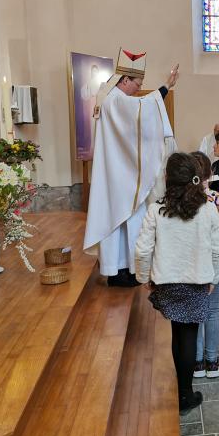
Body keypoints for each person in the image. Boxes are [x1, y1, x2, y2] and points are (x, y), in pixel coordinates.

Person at [135, 152, 219, 416]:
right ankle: (185, 394)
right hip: (197, 281)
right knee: (187, 335)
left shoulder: (156, 210)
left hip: (169, 282)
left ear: (167, 179)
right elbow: (218, 251)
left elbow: (142, 251)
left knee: (178, 334)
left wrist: (144, 277)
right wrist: (213, 278)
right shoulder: (207, 208)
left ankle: (182, 391)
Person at [83, 49, 178, 287]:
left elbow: (137, 117)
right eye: (138, 83)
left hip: (118, 171)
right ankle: (118, 273)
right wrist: (165, 87)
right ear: (125, 79)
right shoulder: (115, 99)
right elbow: (142, 111)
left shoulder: (111, 98)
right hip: (119, 174)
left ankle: (120, 270)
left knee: (121, 220)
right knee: (123, 219)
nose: (139, 88)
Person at [191, 152, 219, 380]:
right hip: (214, 258)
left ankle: (196, 363)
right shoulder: (217, 198)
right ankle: (211, 361)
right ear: (209, 173)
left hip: (192, 260)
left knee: (196, 308)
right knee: (213, 309)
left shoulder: (183, 200)